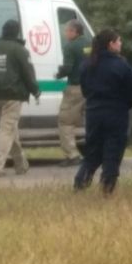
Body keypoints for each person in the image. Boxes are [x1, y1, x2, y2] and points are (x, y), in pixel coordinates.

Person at [73, 29, 132, 194]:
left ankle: (80, 183)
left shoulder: (87, 64)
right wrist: (124, 106)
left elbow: (85, 90)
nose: (121, 44)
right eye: (119, 41)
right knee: (112, 153)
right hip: (116, 114)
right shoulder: (121, 64)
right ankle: (107, 188)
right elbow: (131, 94)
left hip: (94, 113)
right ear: (111, 44)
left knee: (92, 152)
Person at [0, 20, 40, 177]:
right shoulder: (19, 50)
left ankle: (21, 165)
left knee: (11, 130)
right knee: (7, 130)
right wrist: (35, 91)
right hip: (12, 96)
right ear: (16, 33)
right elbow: (28, 73)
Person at [56, 19, 90, 167]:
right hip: (90, 87)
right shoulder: (90, 44)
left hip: (75, 88)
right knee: (89, 121)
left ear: (74, 32)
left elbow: (68, 68)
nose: (65, 33)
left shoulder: (70, 47)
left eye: (67, 31)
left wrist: (59, 73)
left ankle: (72, 154)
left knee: (65, 121)